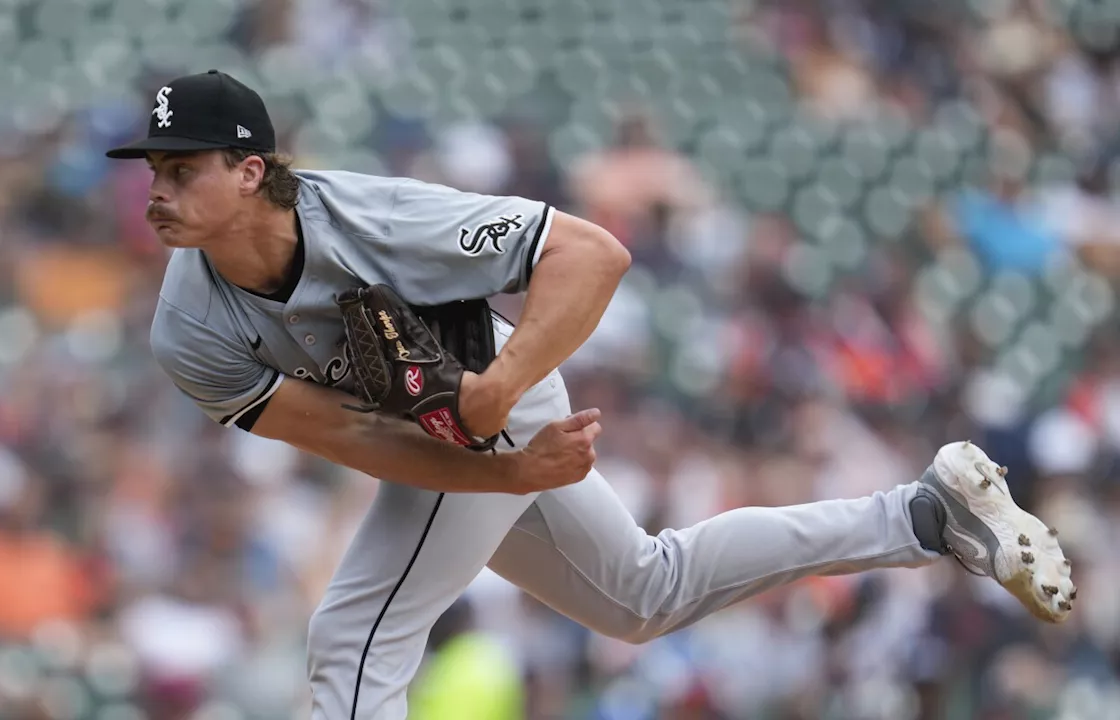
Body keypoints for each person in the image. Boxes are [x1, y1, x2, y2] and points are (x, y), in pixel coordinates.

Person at [105, 70, 1076, 720]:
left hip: (497, 381)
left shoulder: (375, 220)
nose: (156, 190)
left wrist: (501, 393)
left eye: (181, 168)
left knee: (353, 634)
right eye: (153, 169)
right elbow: (356, 439)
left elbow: (589, 254)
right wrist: (504, 471)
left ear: (250, 169)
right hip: (444, 434)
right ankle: (920, 515)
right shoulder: (186, 328)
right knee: (643, 595)